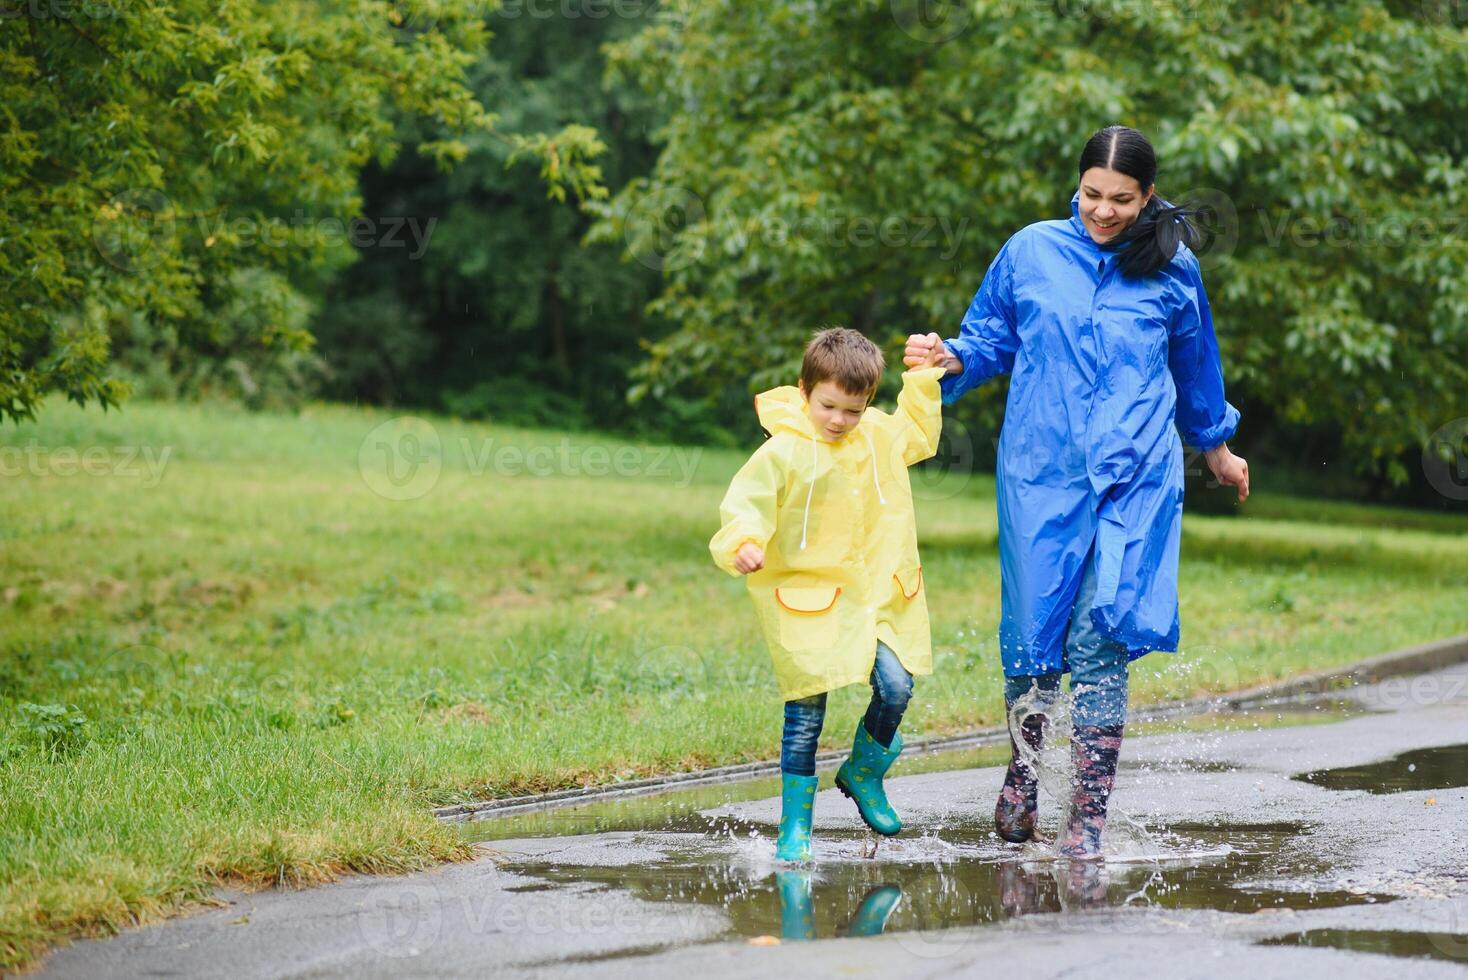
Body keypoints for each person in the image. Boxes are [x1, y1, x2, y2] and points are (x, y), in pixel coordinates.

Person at [903, 125, 1250, 859]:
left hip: (1135, 478)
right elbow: (990, 339)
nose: (1103, 211)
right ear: (1078, 185)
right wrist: (950, 356)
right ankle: (1023, 778)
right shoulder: (1030, 251)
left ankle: (1088, 814)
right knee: (1032, 641)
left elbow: (1196, 368)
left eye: (1122, 199)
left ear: (1147, 194)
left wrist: (1215, 447)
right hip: (1040, 472)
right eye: (1093, 194)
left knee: (1100, 637)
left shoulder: (1174, 269)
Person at [710, 327, 948, 862]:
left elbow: (918, 432)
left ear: (868, 405)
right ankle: (796, 826)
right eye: (829, 406)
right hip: (808, 604)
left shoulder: (879, 437)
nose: (840, 420)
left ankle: (864, 770)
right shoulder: (784, 453)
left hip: (875, 600)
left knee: (896, 685)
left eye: (854, 410)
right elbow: (744, 505)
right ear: (804, 391)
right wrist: (744, 542)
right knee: (805, 719)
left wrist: (922, 376)